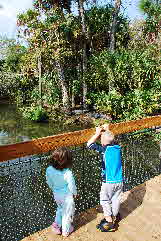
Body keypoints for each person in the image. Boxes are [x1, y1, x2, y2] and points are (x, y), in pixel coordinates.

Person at [87, 124, 123, 232]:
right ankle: (115, 215)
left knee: (104, 199)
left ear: (102, 143)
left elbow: (89, 144)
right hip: (119, 180)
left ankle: (109, 220)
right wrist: (107, 130)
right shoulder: (117, 147)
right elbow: (112, 140)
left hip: (108, 182)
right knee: (116, 199)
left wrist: (97, 133)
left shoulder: (104, 150)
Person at [46, 147, 77, 237]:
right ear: (68, 162)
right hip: (67, 197)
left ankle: (56, 225)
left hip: (56, 194)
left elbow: (49, 182)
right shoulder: (68, 173)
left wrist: (53, 189)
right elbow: (72, 186)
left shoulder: (49, 169)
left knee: (60, 209)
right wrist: (74, 193)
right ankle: (65, 231)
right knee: (67, 214)